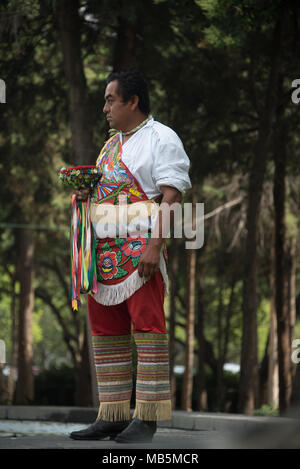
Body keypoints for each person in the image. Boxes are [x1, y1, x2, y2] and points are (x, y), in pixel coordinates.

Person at [70, 69, 191, 443]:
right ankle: (113, 414)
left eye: (110, 99)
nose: (104, 107)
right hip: (103, 254)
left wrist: (155, 245)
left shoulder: (161, 138)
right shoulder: (109, 146)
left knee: (148, 329)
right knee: (107, 333)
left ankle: (148, 417)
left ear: (132, 101)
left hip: (141, 250)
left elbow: (171, 197)